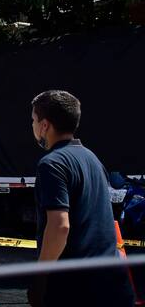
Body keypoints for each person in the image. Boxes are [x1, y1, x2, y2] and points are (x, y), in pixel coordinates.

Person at [27, 90, 134, 307]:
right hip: (112, 281)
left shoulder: (52, 164)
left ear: (45, 125)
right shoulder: (92, 159)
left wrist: (39, 278)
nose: (33, 126)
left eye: (33, 120)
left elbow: (60, 227)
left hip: (76, 287)